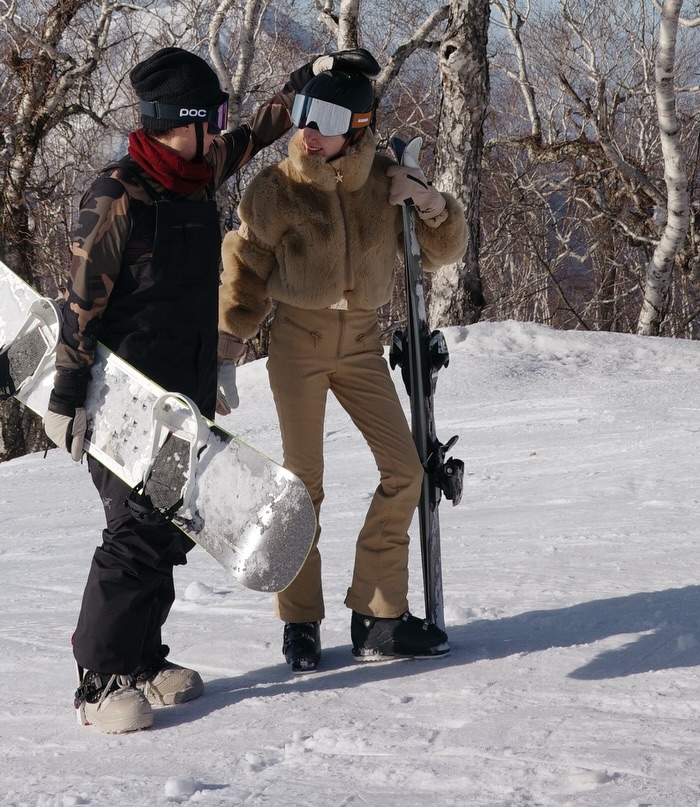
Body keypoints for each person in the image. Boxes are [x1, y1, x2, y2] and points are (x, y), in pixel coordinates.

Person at [42, 45, 294, 734]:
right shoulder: (117, 194)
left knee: (170, 527)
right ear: (178, 120)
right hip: (119, 400)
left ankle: (143, 660)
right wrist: (65, 397)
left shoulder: (194, 175)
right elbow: (79, 301)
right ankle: (99, 681)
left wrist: (301, 92)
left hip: (179, 396)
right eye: (210, 117)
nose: (220, 129)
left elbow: (255, 135)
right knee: (137, 532)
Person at [217, 48, 466, 671]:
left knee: (406, 471)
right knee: (303, 488)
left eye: (326, 116)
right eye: (303, 111)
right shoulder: (275, 189)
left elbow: (439, 254)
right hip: (296, 344)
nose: (309, 128)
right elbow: (245, 269)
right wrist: (227, 346)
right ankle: (300, 622)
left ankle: (378, 617)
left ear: (358, 125)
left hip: (361, 345)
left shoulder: (384, 182)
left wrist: (430, 203)